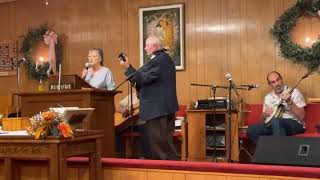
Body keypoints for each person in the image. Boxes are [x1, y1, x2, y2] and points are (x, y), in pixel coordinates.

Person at [119, 35, 179, 160]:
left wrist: (128, 68)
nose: (145, 48)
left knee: (159, 146)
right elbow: (144, 79)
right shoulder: (163, 59)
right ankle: (173, 170)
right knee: (165, 144)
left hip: (157, 109)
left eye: (147, 45)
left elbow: (143, 78)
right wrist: (134, 76)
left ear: (155, 46)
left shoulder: (158, 60)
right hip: (163, 108)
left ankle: (165, 173)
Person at [247, 71, 306, 143]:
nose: (277, 84)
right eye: (273, 82)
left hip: (294, 124)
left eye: (278, 80)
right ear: (270, 84)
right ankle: (271, 150)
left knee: (276, 121)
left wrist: (289, 101)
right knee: (251, 130)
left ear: (281, 79)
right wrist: (264, 115)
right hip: (272, 125)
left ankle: (279, 152)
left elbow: (302, 116)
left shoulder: (294, 92)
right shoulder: (268, 97)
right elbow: (262, 122)